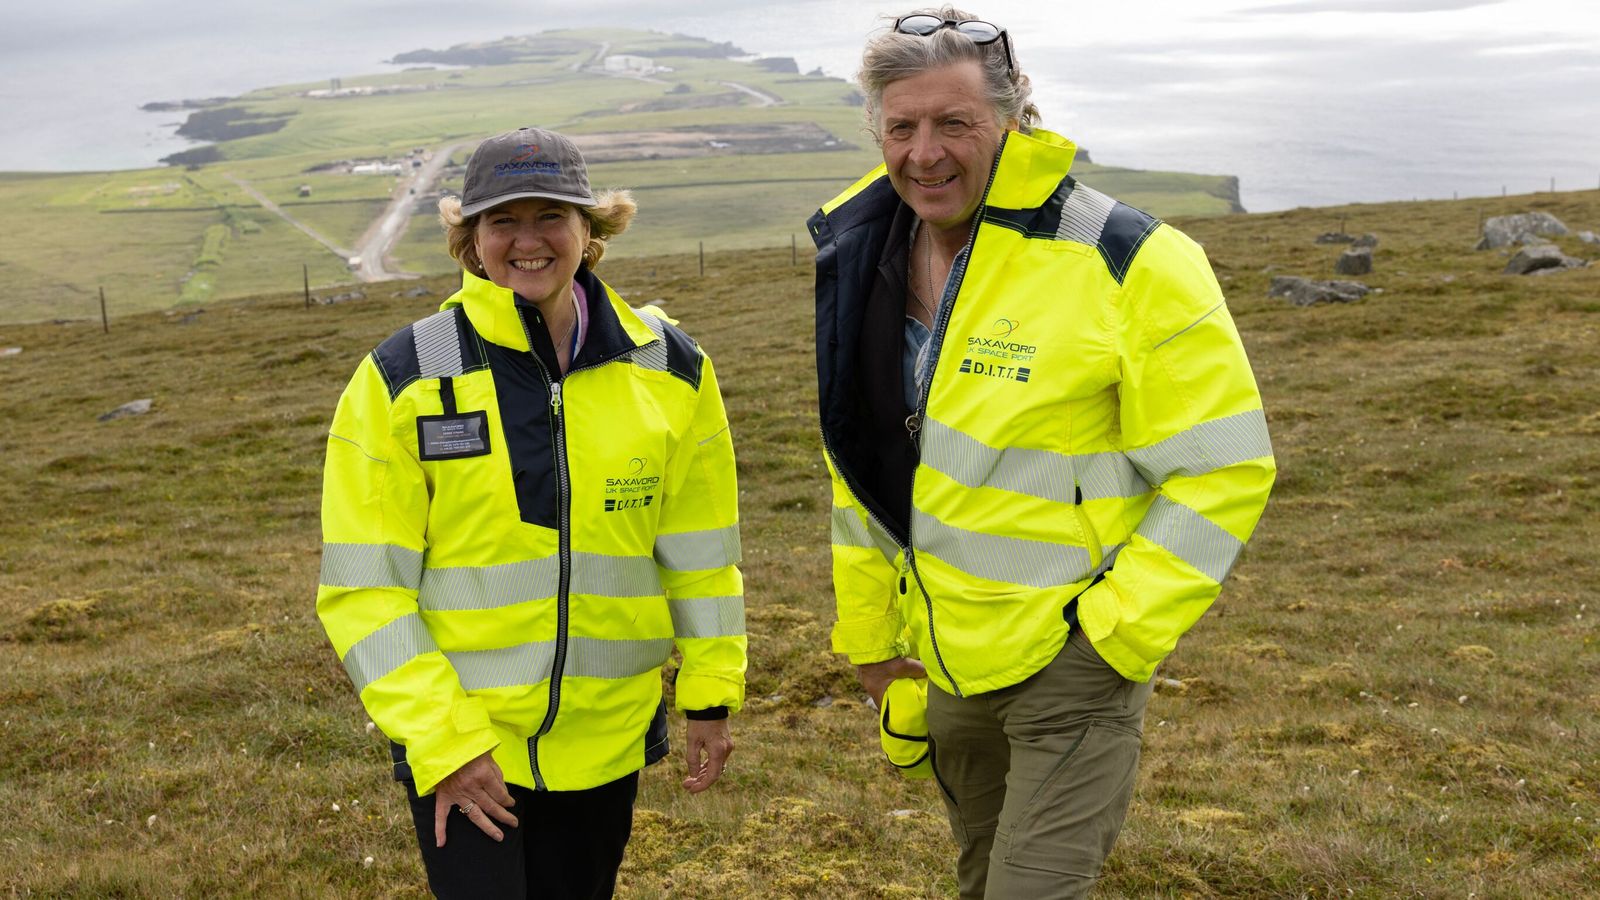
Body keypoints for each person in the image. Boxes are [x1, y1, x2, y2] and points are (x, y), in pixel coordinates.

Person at [809, 9, 1276, 898]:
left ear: (1016, 117)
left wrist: (1110, 640)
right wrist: (872, 643)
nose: (925, 153)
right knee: (983, 877)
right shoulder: (860, 253)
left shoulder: (1127, 257)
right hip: (944, 662)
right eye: (901, 127)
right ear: (876, 132)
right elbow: (861, 468)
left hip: (1073, 664)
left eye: (955, 124)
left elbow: (1224, 468)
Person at [316, 126, 746, 899]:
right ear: (470, 241)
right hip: (465, 752)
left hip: (608, 745)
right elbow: (365, 590)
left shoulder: (672, 368)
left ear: (593, 228)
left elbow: (700, 553)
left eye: (551, 215)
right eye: (501, 221)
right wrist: (446, 744)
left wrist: (711, 694)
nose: (527, 240)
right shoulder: (403, 377)